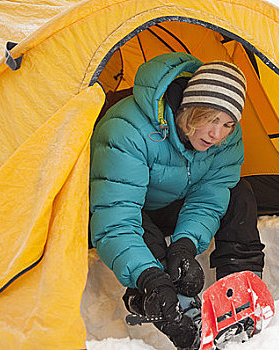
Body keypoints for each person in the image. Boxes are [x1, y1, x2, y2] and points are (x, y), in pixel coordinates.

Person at [89, 52, 265, 349]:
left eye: (227, 124)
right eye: (210, 119)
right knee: (147, 249)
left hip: (171, 203)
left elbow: (210, 197)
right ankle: (170, 306)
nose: (216, 134)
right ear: (190, 106)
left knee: (239, 193)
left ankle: (239, 295)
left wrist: (185, 245)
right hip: (125, 209)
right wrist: (151, 278)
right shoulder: (127, 131)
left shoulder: (226, 141)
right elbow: (116, 218)